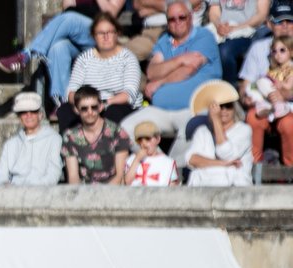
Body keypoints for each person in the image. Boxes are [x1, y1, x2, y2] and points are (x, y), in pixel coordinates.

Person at [120, 0, 222, 165]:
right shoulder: (164, 40)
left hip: (193, 109)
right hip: (160, 110)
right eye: (171, 19)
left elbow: (190, 69)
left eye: (181, 17)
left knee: (192, 130)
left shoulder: (204, 36)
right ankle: (160, 165)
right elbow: (152, 71)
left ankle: (172, 172)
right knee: (125, 130)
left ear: (190, 17)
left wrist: (161, 82)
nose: (177, 22)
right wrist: (181, 59)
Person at [0, 0, 125, 112]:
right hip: (76, 35)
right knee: (58, 48)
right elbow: (68, 8)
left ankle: (26, 55)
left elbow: (111, 13)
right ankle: (64, 104)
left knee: (70, 19)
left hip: (101, 36)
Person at [59, 13, 142, 131]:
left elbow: (129, 94)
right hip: (88, 104)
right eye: (101, 33)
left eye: (110, 32)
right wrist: (80, 103)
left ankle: (108, 147)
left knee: (114, 112)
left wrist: (103, 103)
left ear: (117, 33)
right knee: (65, 110)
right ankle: (72, 147)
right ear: (94, 36)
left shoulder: (128, 58)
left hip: (117, 104)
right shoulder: (84, 58)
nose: (106, 36)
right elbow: (72, 90)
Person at [186, 79, 254, 184]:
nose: (224, 110)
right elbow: (192, 159)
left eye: (228, 106)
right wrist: (222, 164)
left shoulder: (244, 130)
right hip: (205, 185)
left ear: (234, 108)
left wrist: (216, 120)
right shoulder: (202, 131)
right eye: (220, 106)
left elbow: (225, 153)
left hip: (234, 187)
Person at [63, 85, 132, 184]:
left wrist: (100, 197)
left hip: (113, 191)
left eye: (94, 107)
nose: (90, 112)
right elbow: (73, 177)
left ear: (100, 107)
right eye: (84, 108)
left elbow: (120, 176)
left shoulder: (117, 133)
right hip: (84, 192)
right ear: (77, 110)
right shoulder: (70, 137)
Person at [0, 91, 64, 185]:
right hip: (14, 192)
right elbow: (0, 176)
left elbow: (53, 173)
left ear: (40, 115)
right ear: (19, 117)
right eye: (23, 112)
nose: (28, 115)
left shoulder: (54, 139)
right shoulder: (11, 144)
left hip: (43, 192)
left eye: (33, 111)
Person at [245, 34, 293, 164]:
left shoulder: (291, 70)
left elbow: (289, 87)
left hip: (288, 107)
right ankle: (254, 164)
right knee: (253, 117)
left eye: (282, 50)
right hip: (269, 106)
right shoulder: (271, 70)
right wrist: (250, 98)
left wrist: (284, 92)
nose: (278, 54)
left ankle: (290, 167)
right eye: (274, 51)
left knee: (289, 124)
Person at [237, 0, 293, 109]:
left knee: (287, 123)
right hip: (264, 104)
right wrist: (246, 98)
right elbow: (246, 84)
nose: (285, 26)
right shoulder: (258, 47)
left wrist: (286, 95)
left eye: (290, 21)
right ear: (269, 24)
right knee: (254, 118)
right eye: (278, 21)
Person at [207, 0, 270, 86]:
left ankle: (230, 90)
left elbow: (261, 15)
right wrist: (219, 26)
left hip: (250, 32)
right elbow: (214, 12)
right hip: (221, 29)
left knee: (225, 52)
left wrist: (237, 28)